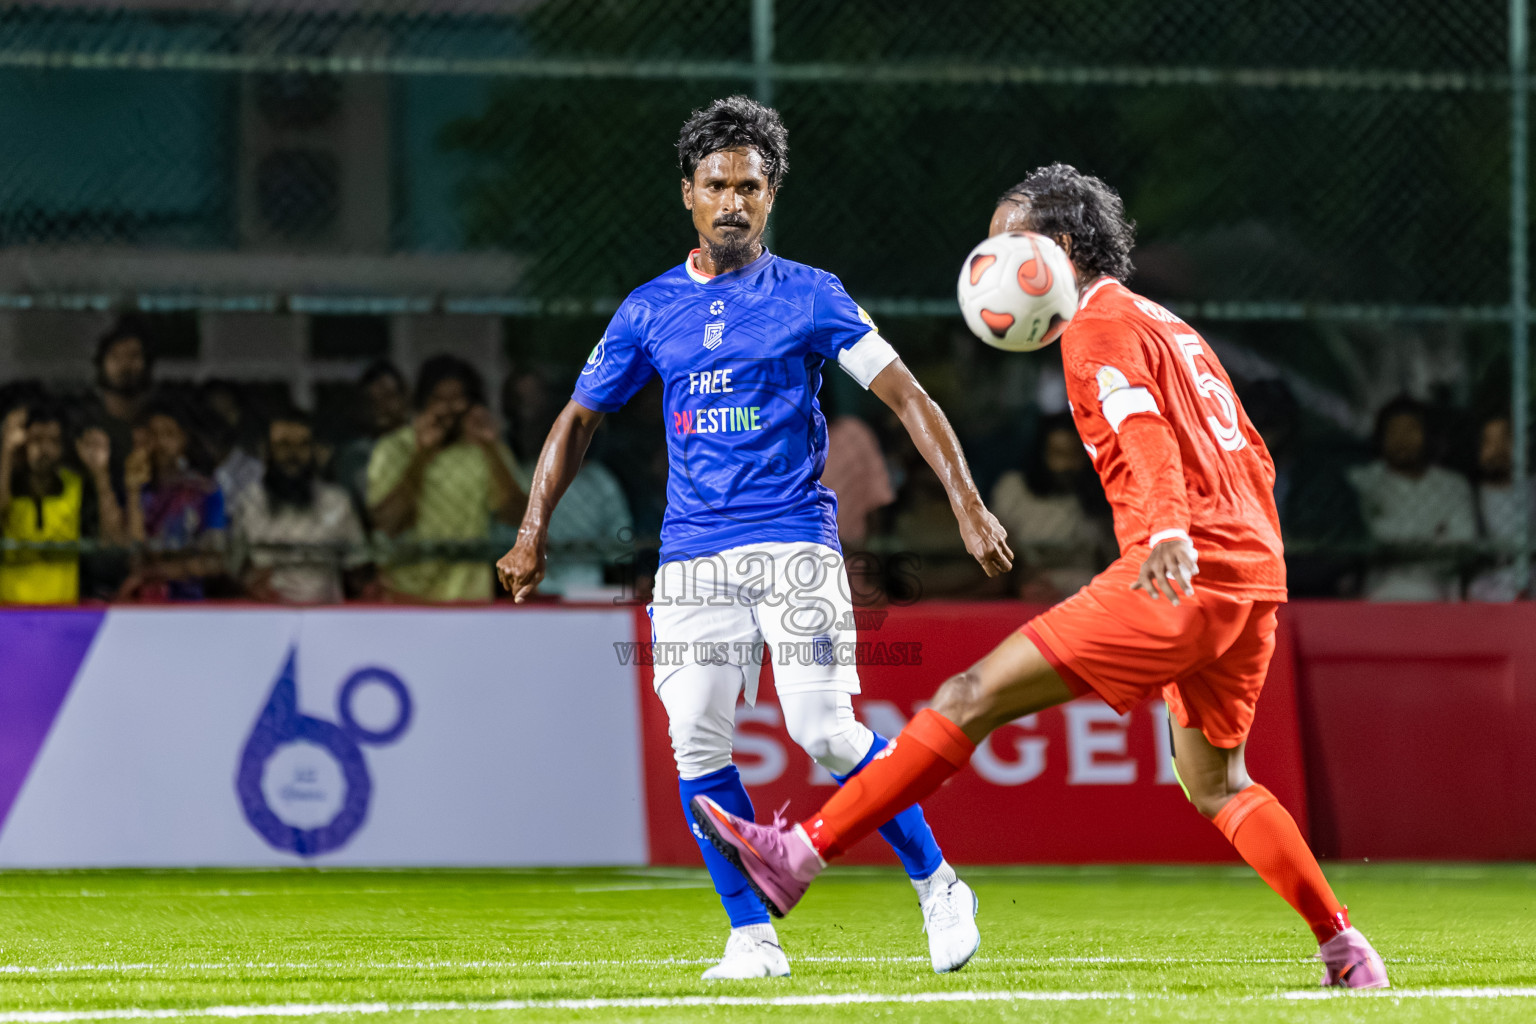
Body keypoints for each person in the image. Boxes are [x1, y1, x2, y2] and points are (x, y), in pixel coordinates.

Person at [690, 164, 1390, 991]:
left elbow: (1146, 434)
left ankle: (799, 854)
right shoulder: (1166, 324)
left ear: (1057, 249)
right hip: (1251, 583)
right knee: (1218, 782)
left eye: (1005, 242)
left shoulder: (1096, 328)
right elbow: (1250, 453)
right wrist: (1234, 555)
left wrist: (1166, 529)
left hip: (1179, 572)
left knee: (966, 697)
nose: (988, 261)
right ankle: (1345, 948)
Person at [496, 96, 1011, 980]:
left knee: (824, 731)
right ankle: (752, 937)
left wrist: (966, 502)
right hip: (691, 553)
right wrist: (531, 529)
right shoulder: (648, 309)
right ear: (688, 195)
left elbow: (908, 399)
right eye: (716, 185)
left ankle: (939, 885)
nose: (733, 201)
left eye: (751, 186)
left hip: (792, 541)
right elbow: (580, 418)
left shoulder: (812, 295)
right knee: (696, 738)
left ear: (771, 196)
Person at [368, 355, 525, 601]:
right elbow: (389, 524)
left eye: (458, 399)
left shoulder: (486, 449)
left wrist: (491, 448)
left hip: (470, 595)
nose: (449, 409)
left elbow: (516, 516)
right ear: (422, 403)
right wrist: (422, 456)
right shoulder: (395, 448)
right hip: (408, 594)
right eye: (439, 399)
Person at [499, 368, 633, 597]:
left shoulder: (602, 483)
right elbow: (500, 536)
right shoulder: (526, 476)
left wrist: (585, 548)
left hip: (590, 591)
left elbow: (622, 545)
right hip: (530, 591)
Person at [1347, 396, 1476, 601]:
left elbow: (1463, 542)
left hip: (1441, 588)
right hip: (1379, 587)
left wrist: (1397, 545)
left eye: (1411, 430)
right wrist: (1433, 536)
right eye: (1394, 431)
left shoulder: (1453, 485)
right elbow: (1367, 541)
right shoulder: (1362, 481)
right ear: (1380, 437)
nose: (1402, 439)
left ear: (1428, 435)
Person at [233, 409, 367, 604]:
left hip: (327, 618)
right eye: (284, 445)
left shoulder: (337, 502)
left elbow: (358, 571)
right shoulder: (249, 502)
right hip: (268, 618)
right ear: (267, 451)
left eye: (302, 445)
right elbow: (234, 571)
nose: (293, 455)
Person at [0, 401, 125, 604]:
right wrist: (6, 452)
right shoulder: (7, 485)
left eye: (53, 441)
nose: (45, 449)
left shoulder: (77, 486)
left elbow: (114, 542)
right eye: (36, 440)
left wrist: (101, 474)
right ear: (22, 443)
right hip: (9, 614)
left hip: (64, 612)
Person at [990, 412, 1115, 601]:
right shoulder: (1013, 491)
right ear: (1042, 454)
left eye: (1074, 456)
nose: (1065, 465)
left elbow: (1115, 565)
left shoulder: (1105, 497)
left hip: (1086, 598)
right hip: (1023, 594)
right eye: (1058, 455)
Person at [122, 399, 227, 601]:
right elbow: (133, 553)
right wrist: (133, 490)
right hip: (141, 606)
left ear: (183, 440)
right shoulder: (137, 490)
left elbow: (214, 562)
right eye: (153, 435)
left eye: (169, 434)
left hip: (188, 604)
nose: (160, 443)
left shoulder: (205, 492)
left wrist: (161, 571)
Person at [1468, 412, 1534, 601]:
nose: (1498, 450)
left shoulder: (1532, 489)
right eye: (1489, 442)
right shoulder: (1471, 496)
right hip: (1489, 580)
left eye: (1505, 440)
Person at [335, 361, 411, 521]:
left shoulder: (423, 443)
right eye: (372, 401)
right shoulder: (356, 455)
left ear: (404, 399)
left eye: (388, 397)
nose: (381, 407)